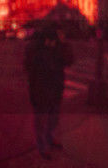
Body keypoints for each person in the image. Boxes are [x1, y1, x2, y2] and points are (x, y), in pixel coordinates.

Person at [23, 23, 74, 157]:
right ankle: (42, 146)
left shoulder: (58, 48)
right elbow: (31, 66)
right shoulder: (36, 49)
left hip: (55, 87)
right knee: (41, 118)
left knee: (53, 117)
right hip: (41, 88)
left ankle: (49, 138)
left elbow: (69, 60)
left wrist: (63, 45)